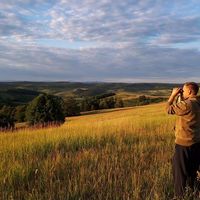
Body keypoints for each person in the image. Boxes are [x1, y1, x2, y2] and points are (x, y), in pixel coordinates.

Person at [166, 82, 200, 198]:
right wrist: (181, 97)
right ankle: (193, 193)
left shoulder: (187, 105)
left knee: (179, 173)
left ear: (190, 92)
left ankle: (179, 196)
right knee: (192, 171)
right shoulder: (197, 102)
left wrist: (173, 95)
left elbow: (168, 109)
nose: (182, 92)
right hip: (196, 142)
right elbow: (183, 108)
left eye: (184, 91)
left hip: (184, 144)